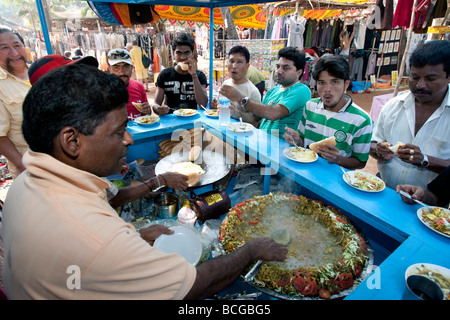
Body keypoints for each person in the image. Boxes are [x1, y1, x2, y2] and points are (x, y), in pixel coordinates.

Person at [1, 64, 287, 299]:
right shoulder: (95, 237)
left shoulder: (24, 184)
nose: (129, 139)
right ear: (72, 141)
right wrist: (250, 250)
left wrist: (136, 237)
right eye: (119, 131)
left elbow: (83, 254)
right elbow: (196, 285)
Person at [27, 54, 189, 205]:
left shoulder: (76, 163)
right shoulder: (62, 196)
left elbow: (111, 195)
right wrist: (159, 181)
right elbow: (112, 200)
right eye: (76, 80)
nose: (128, 140)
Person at [370, 40, 450, 190]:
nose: (420, 85)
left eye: (431, 79)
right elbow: (373, 143)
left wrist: (424, 160)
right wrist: (379, 150)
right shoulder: (393, 105)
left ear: (448, 77)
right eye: (414, 77)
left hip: (427, 208)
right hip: (384, 191)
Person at [284, 55, 373, 169]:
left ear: (346, 84)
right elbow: (303, 140)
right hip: (307, 171)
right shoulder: (310, 106)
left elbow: (360, 162)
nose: (327, 89)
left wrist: (338, 159)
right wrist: (297, 140)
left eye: (334, 82)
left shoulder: (361, 120)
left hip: (336, 181)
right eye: (321, 82)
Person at [219, 46, 311, 138]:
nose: (279, 71)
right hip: (263, 143)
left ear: (299, 72)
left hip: (282, 147)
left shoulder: (302, 90)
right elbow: (256, 118)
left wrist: (239, 98)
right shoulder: (272, 91)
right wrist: (235, 112)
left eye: (286, 68)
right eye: (278, 66)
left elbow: (273, 113)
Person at [0, 26, 31, 178]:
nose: (14, 53)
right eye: (4, 48)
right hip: (31, 169)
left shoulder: (41, 72)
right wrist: (22, 166)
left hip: (65, 162)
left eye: (17, 45)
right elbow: (0, 136)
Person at [153, 33, 208, 115]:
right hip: (170, 119)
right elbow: (156, 103)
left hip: (191, 120)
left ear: (192, 53)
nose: (183, 57)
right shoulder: (165, 75)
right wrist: (157, 108)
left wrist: (194, 75)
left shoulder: (199, 76)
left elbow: (202, 104)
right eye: (179, 53)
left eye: (187, 53)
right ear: (173, 53)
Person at [212, 46, 262, 127]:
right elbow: (220, 106)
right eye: (231, 61)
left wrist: (236, 113)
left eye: (239, 62)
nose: (234, 66)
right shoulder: (225, 84)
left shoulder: (253, 91)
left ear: (247, 66)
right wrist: (216, 105)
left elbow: (255, 121)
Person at [107, 48, 152, 121]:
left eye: (126, 66)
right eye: (116, 67)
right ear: (109, 69)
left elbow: (147, 115)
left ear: (131, 68)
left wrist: (147, 110)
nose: (121, 72)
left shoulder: (139, 87)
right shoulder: (101, 90)